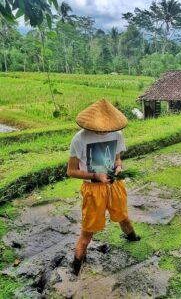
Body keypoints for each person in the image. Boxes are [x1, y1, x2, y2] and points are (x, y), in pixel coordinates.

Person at [67, 99, 140, 275]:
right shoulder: (79, 139)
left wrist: (119, 166)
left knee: (123, 217)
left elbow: (117, 158)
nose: (106, 131)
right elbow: (71, 171)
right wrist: (95, 176)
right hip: (93, 190)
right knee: (87, 233)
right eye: (102, 128)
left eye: (109, 127)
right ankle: (76, 266)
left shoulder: (117, 134)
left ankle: (133, 238)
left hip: (114, 184)